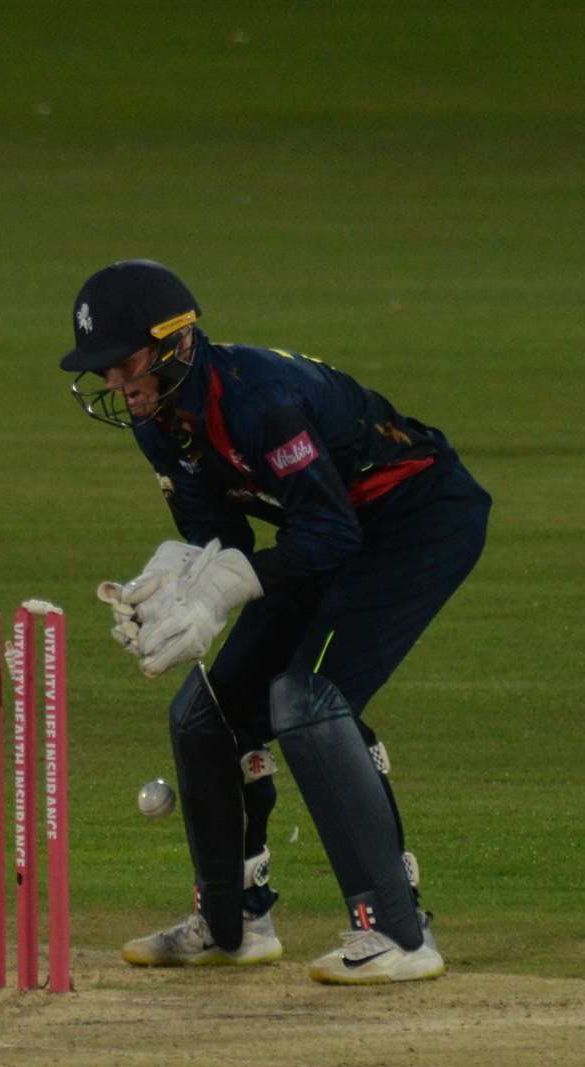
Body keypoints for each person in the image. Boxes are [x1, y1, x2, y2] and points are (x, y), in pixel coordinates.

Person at [62, 259, 491, 985]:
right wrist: (175, 588)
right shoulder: (159, 417)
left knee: (308, 699)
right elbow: (218, 534)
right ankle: (234, 924)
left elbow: (330, 535)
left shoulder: (262, 399)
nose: (115, 383)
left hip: (415, 521)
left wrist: (224, 589)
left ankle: (397, 930)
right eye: (101, 369)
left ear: (175, 343)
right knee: (207, 715)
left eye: (123, 361)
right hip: (326, 530)